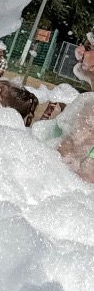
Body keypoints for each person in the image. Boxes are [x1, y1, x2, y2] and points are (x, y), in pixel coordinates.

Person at [33, 31, 94, 182]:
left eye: (88, 47)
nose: (79, 51)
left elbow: (60, 159)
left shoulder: (90, 109)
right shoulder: (88, 102)